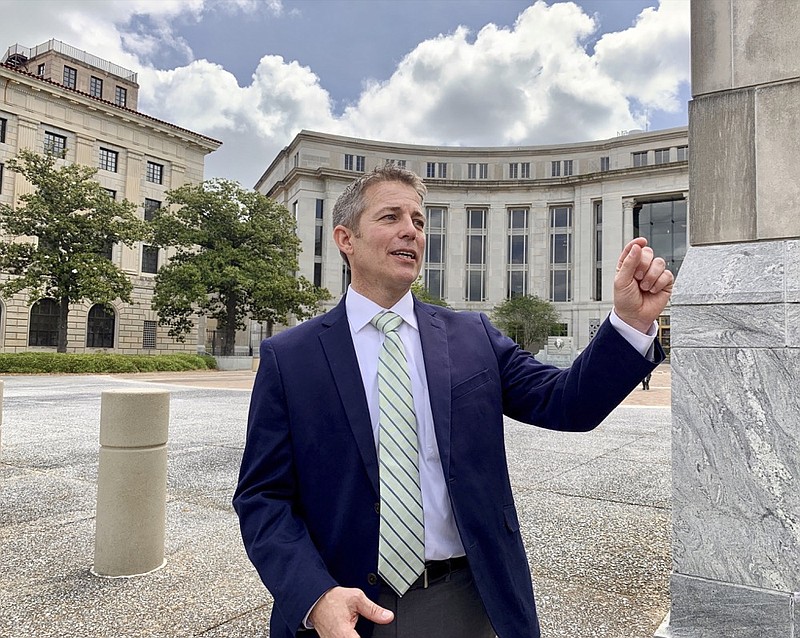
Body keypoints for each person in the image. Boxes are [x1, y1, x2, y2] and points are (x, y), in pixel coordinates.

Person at [233, 165, 673, 638]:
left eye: (419, 222)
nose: (411, 231)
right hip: (343, 610)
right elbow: (263, 497)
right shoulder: (291, 357)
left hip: (465, 602)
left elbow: (568, 404)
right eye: (390, 217)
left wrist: (628, 324)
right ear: (345, 238)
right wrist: (314, 594)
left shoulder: (472, 336)